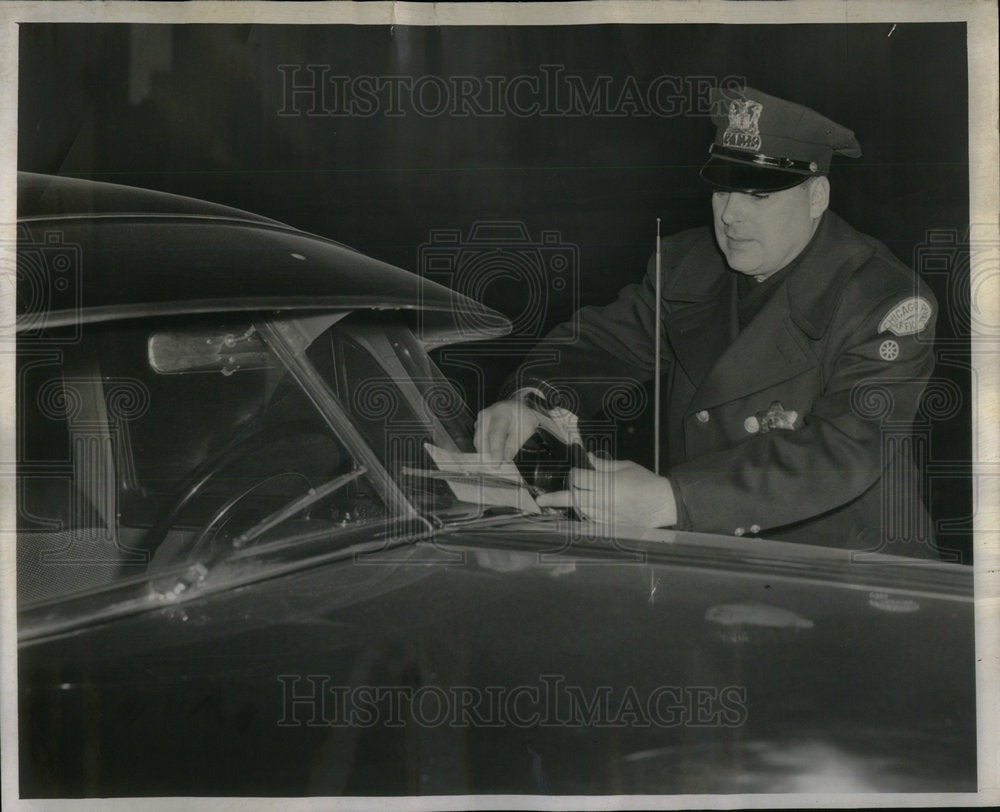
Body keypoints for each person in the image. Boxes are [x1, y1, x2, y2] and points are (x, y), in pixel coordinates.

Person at [474, 86, 938, 556]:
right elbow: (602, 343)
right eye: (722, 189)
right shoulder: (689, 265)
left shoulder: (883, 299)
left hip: (848, 574)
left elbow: (841, 452)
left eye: (757, 194)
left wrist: (673, 498)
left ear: (817, 196)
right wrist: (532, 401)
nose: (730, 214)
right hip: (715, 560)